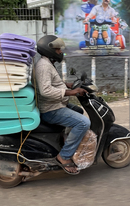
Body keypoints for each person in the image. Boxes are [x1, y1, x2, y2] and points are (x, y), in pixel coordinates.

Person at [35, 35, 90, 175]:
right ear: (49, 50)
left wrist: (69, 85)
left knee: (78, 111)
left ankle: (66, 139)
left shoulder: (47, 63)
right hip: (51, 109)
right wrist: (71, 93)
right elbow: (45, 90)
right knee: (83, 123)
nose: (60, 52)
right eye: (58, 49)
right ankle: (64, 156)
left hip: (55, 104)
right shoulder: (44, 66)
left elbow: (52, 82)